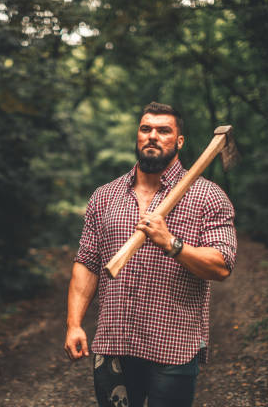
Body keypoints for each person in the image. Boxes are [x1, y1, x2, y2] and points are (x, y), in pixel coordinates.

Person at [63, 102, 237, 407]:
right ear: (137, 135)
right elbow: (88, 263)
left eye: (163, 130)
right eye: (146, 129)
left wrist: (171, 243)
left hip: (173, 348)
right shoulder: (105, 196)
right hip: (113, 343)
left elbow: (221, 265)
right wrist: (74, 323)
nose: (152, 136)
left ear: (179, 141)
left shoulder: (208, 196)